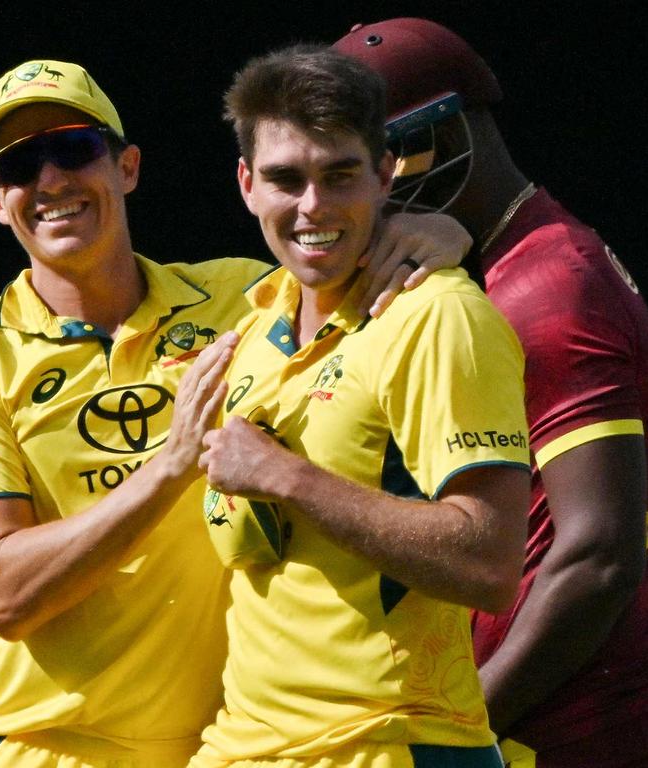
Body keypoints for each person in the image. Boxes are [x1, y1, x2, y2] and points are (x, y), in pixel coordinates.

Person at [0, 58, 469, 767]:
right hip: (53, 747)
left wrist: (435, 235)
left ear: (128, 167)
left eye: (75, 148)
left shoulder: (247, 299)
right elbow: (5, 592)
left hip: (234, 745)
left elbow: (354, 249)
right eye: (21, 165)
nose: (51, 180)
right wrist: (169, 468)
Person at [333, 18, 648, 766]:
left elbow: (598, 557)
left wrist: (464, 736)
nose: (354, 202)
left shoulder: (550, 287)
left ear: (438, 143)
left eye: (365, 169)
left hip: (587, 737)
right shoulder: (515, 263)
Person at [189, 44, 531, 767]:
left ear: (384, 175)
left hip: (389, 744)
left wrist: (287, 478)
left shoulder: (437, 316)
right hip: (242, 748)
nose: (312, 205)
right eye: (285, 178)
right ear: (247, 184)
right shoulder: (250, 328)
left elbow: (493, 563)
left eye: (338, 174)